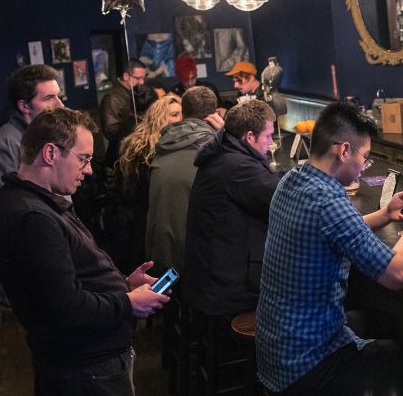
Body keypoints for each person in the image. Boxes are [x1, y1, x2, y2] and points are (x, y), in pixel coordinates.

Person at [0, 107, 168, 396]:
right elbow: (66, 309)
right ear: (51, 153)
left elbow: (67, 284)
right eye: (83, 159)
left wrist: (124, 284)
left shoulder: (38, 202)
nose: (88, 171)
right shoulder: (31, 217)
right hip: (87, 368)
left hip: (88, 364)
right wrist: (126, 303)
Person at [256, 101, 403, 396]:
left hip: (275, 352)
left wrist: (383, 214)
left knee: (380, 323)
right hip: (306, 367)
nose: (365, 166)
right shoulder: (328, 200)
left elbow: (333, 230)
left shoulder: (293, 179)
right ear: (344, 150)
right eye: (364, 156)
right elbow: (397, 274)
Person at [0, 64, 64, 309]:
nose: (60, 105)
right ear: (24, 106)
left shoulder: (42, 137)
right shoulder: (3, 145)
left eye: (59, 96)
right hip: (27, 277)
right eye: (49, 98)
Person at [184, 99, 280, 318]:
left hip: (208, 279)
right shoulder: (237, 167)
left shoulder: (223, 153)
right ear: (249, 137)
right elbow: (284, 196)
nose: (271, 142)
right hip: (226, 290)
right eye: (268, 136)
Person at [145, 86, 223, 274]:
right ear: (213, 115)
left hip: (161, 254)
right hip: (201, 258)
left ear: (184, 113)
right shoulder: (216, 152)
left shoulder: (160, 146)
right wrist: (228, 135)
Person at [109, 94, 182, 273]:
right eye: (174, 114)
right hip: (140, 218)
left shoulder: (168, 144)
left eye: (181, 113)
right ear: (160, 117)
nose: (180, 119)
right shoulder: (144, 148)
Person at [100, 59, 146, 167]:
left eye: (143, 78)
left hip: (135, 151)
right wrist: (135, 122)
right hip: (120, 157)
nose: (142, 82)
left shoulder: (135, 93)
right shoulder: (112, 98)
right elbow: (110, 131)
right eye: (138, 78)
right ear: (126, 76)